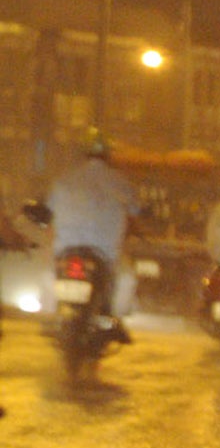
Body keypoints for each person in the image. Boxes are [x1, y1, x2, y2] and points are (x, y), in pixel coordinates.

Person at [43, 131, 142, 337]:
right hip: (105, 253)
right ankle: (114, 321)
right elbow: (135, 213)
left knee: (47, 273)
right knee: (126, 278)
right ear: (108, 155)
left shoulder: (65, 180)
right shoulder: (120, 182)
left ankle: (50, 317)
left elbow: (48, 211)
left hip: (66, 251)